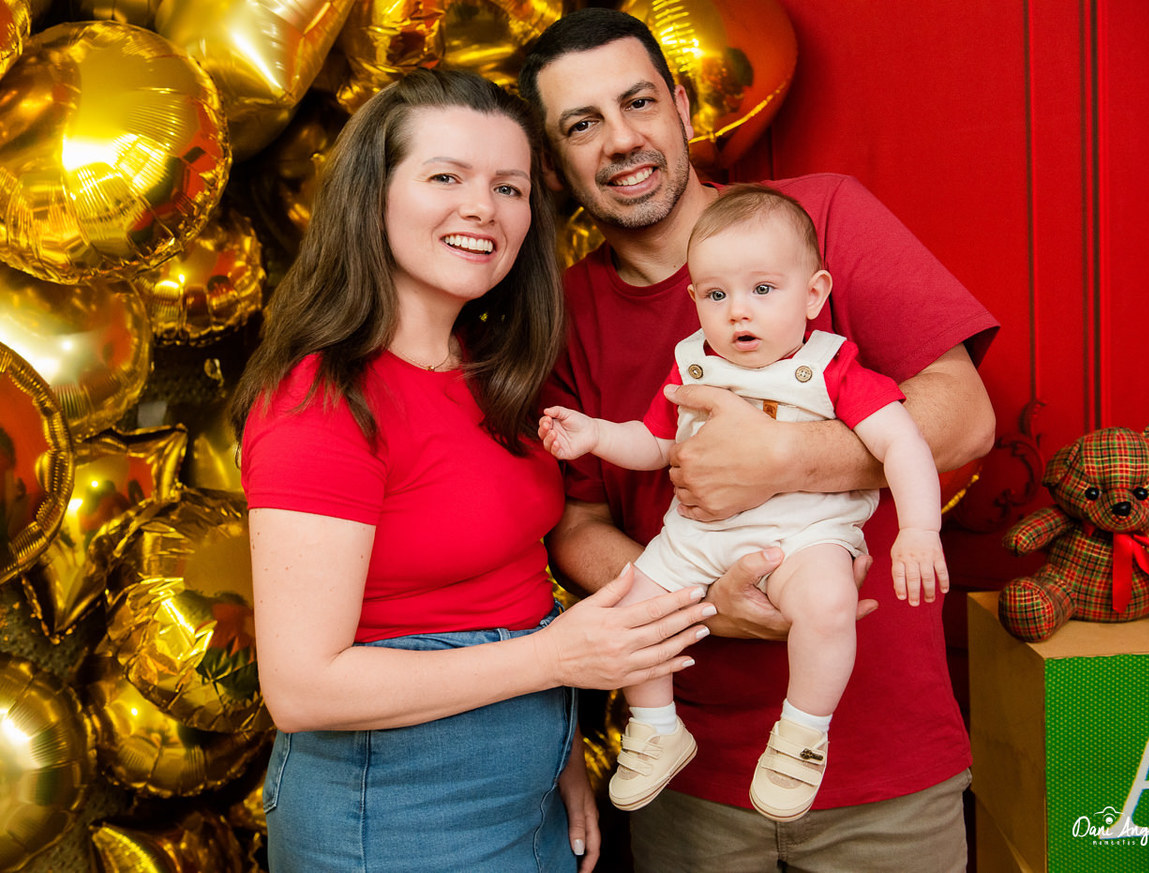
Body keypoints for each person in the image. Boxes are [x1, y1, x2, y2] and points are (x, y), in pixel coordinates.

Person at [518, 9, 1000, 872]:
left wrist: (782, 459)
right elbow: (576, 525)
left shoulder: (818, 220)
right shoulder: (565, 314)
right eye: (581, 125)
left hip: (883, 770)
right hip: (691, 785)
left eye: (638, 103)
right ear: (554, 165)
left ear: (682, 107)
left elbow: (965, 413)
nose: (621, 140)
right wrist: (710, 604)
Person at [230, 69, 718, 873]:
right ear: (373, 198)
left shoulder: (494, 372)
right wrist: (554, 661)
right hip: (393, 811)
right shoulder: (320, 401)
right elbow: (303, 688)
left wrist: (557, 753)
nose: (483, 208)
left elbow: (507, 584)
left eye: (509, 187)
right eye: (446, 177)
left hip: (525, 794)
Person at [538, 183, 949, 823]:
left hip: (804, 535)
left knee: (827, 602)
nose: (738, 314)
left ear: (813, 294)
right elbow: (655, 444)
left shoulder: (831, 368)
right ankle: (657, 726)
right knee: (634, 605)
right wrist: (595, 435)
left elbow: (902, 443)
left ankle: (802, 734)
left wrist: (919, 530)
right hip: (697, 539)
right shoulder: (692, 365)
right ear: (694, 300)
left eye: (763, 290)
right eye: (716, 295)